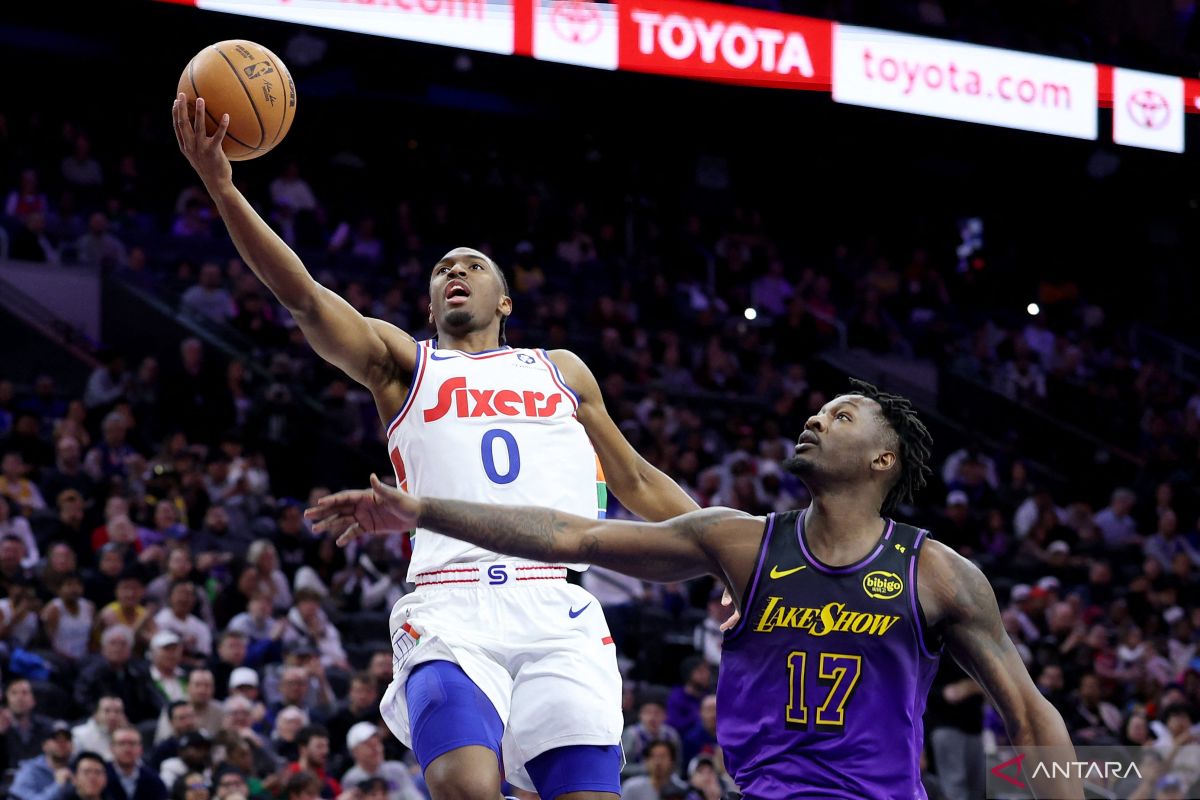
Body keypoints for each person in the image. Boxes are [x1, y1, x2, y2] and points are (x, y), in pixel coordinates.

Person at [174, 92, 698, 800]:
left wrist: (722, 555)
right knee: (466, 790)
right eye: (444, 268)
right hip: (452, 606)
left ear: (506, 301)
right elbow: (303, 297)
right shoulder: (406, 363)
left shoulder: (561, 369)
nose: (457, 271)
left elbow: (634, 478)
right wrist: (221, 186)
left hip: (557, 607)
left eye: (475, 266)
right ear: (429, 306)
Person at [310, 380, 1084, 799]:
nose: (815, 419)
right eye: (817, 410)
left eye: (840, 415)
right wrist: (424, 509)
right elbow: (574, 536)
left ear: (883, 461)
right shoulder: (741, 542)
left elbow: (1028, 713)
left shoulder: (937, 571)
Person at [106, 725, 169, 800]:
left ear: (141, 749)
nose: (127, 749)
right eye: (121, 743)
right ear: (111, 748)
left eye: (132, 743)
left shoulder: (153, 779)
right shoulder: (100, 774)